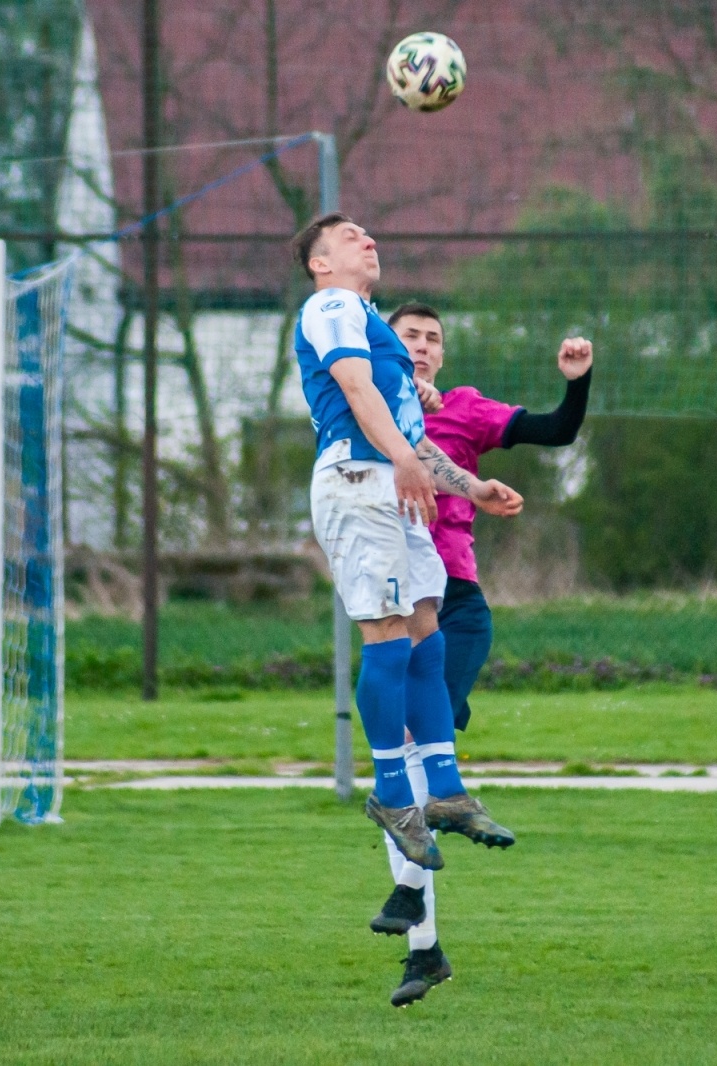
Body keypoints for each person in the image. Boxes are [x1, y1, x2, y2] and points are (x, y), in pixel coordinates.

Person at [290, 211, 522, 1008]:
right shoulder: (331, 309)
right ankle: (393, 790)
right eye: (350, 236)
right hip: (358, 486)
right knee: (388, 637)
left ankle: (446, 790)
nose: (368, 241)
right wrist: (401, 463)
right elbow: (355, 398)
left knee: (426, 636)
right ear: (321, 264)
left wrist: (472, 486)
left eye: (368, 233)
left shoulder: (383, 342)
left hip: (393, 485)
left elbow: (415, 441)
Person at [364, 302, 592, 981]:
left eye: (435, 339)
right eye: (411, 335)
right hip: (389, 601)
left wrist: (575, 382)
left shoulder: (460, 409)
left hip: (453, 607)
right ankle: (423, 943)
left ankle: (415, 913)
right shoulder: (362, 406)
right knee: (405, 763)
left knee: (413, 753)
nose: (425, 346)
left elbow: (557, 429)